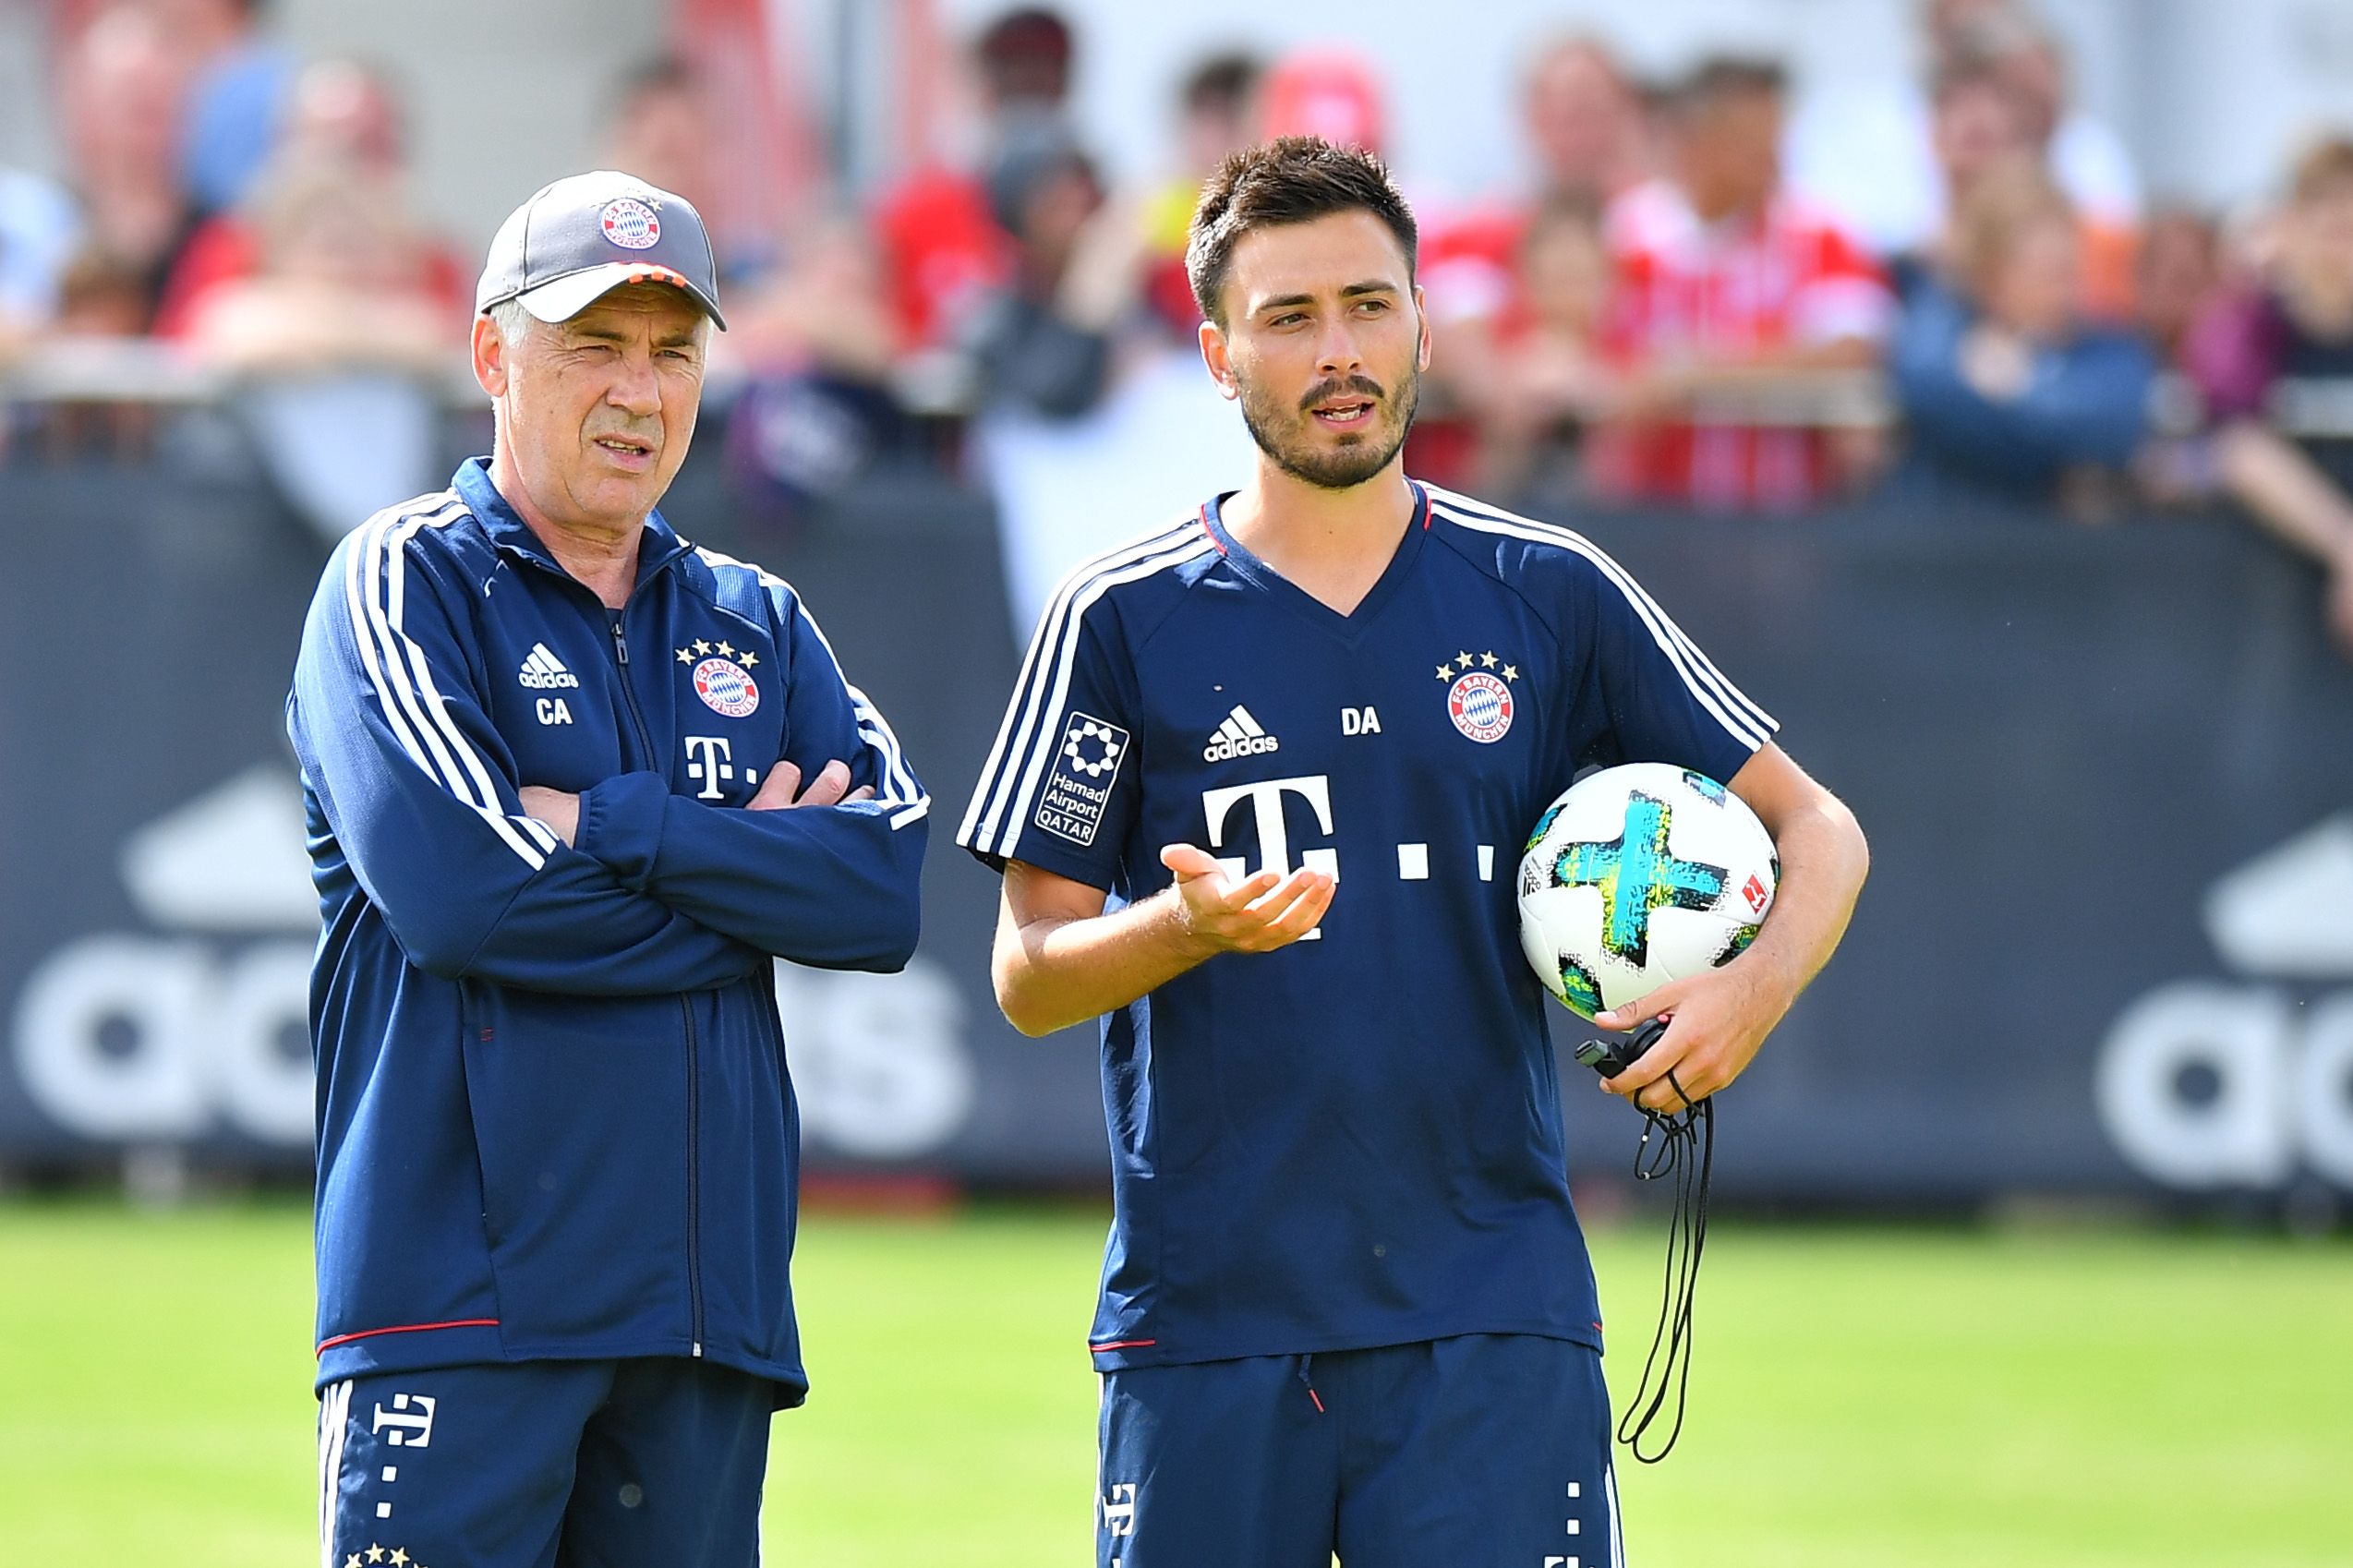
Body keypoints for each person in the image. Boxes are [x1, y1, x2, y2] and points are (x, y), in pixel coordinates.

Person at [958, 136, 1869, 1567]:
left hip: (1489, 1312)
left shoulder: (1547, 589)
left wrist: (1745, 995)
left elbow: (1819, 827)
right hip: (1208, 1323)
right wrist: (1181, 930)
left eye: (1369, 305)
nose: (1340, 351)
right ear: (1217, 356)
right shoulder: (1119, 617)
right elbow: (1028, 969)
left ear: (1424, 328)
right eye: (1290, 317)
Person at [288, 170, 929, 1563]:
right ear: (492, 354)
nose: (640, 393)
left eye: (674, 351)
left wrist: (616, 827)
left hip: (704, 1326)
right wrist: (749, 878)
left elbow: (881, 893)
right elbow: (469, 900)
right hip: (458, 1312)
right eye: (593, 345)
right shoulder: (402, 580)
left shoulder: (758, 619)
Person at [1591, 56, 1894, 512]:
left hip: (1784, 517)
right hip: (1647, 516)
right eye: (1749, 140)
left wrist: (1691, 375)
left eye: (1775, 135)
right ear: (1694, 143)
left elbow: (1849, 351)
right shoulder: (1623, 233)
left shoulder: (1820, 234)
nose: (1772, 157)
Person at [1888, 161, 2154, 514]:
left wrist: (2021, 383)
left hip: (2056, 540)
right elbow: (1926, 384)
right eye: (2046, 273)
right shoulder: (1942, 331)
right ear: (1988, 280)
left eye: (2071, 270)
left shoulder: (2106, 347)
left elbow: (2112, 427)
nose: (2066, 292)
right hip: (1947, 531)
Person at [2187, 136, 2353, 652]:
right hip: (2263, 607)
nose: (2338, 241)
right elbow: (2238, 445)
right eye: (2325, 217)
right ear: (2290, 222)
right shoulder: (2248, 323)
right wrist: (2346, 545)